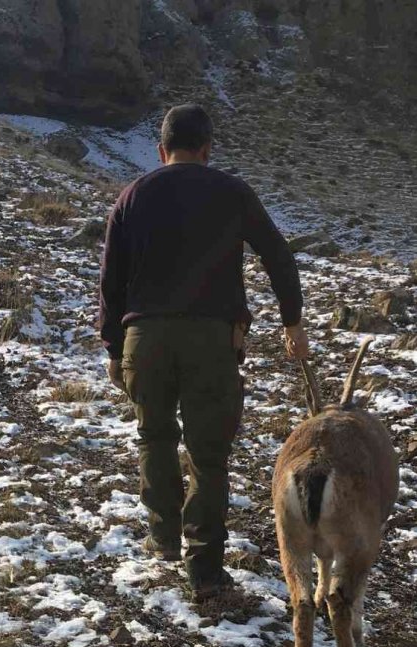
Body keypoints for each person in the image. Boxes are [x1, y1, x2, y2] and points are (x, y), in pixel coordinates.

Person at [100, 103, 309, 600]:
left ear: (160, 149)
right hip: (213, 340)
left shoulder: (132, 195)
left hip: (144, 338)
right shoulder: (232, 193)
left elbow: (110, 281)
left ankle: (164, 538)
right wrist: (292, 321)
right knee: (209, 456)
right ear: (208, 149)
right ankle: (206, 568)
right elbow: (279, 257)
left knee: (154, 436)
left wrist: (113, 347)